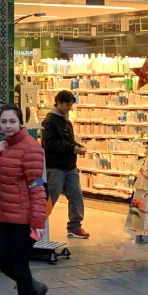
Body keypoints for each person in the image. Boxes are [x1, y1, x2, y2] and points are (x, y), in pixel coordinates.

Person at [0, 103, 48, 295]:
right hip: (5, 214)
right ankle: (35, 288)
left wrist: (37, 223)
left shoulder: (31, 148)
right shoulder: (5, 147)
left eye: (12, 121)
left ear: (20, 123)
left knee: (18, 264)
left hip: (23, 219)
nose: (7, 126)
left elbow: (37, 188)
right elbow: (0, 175)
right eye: (4, 122)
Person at [41, 89, 90, 239]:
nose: (70, 108)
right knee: (51, 196)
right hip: (55, 166)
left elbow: (68, 141)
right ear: (59, 103)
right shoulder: (49, 121)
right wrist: (72, 148)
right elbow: (49, 144)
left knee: (76, 195)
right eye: (68, 105)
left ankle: (75, 226)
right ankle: (39, 224)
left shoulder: (66, 120)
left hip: (70, 166)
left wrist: (77, 146)